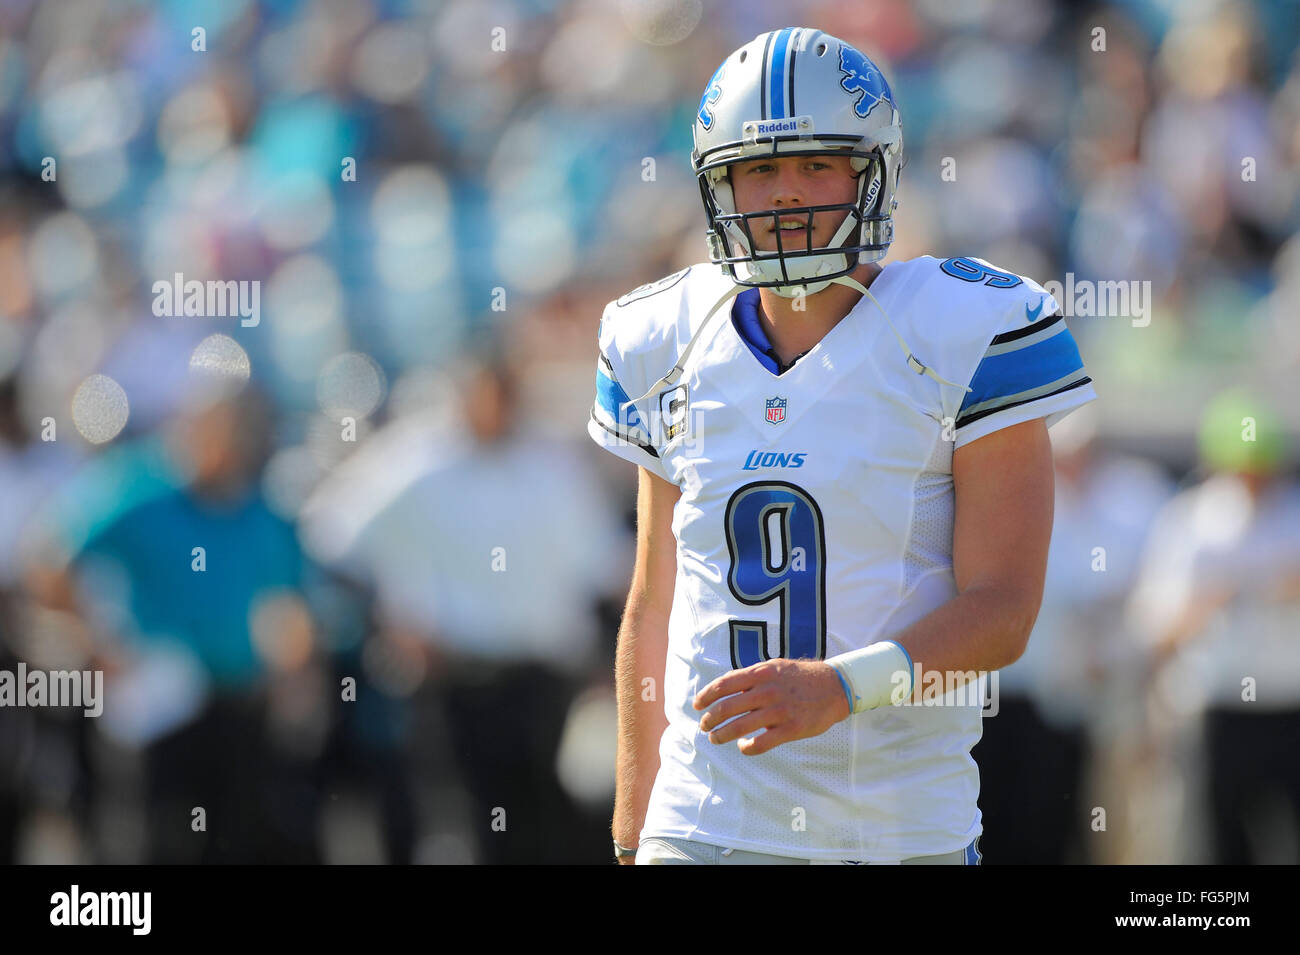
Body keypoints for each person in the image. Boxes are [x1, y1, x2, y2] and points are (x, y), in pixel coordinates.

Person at [587, 28, 1097, 864]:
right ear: (720, 187)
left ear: (874, 174)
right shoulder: (661, 334)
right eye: (759, 170)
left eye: (816, 165)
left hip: (896, 828)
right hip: (704, 818)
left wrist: (839, 690)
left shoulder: (968, 329)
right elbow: (655, 599)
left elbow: (1003, 610)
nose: (786, 194)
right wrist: (634, 819)